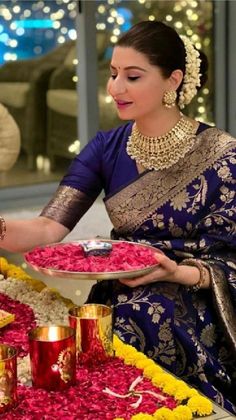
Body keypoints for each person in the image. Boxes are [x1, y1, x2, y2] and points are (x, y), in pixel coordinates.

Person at [0, 21, 236, 413]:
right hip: (120, 287)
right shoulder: (107, 147)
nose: (114, 88)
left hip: (191, 297)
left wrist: (175, 272)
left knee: (133, 323)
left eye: (132, 76)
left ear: (172, 80)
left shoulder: (222, 154)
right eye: (112, 74)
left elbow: (231, 257)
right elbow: (47, 227)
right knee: (79, 344)